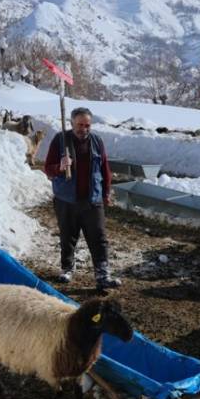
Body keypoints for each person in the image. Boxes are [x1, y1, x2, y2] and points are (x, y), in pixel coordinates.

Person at [43, 107, 121, 290]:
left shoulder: (96, 141)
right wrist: (60, 166)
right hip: (66, 199)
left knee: (98, 237)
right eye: (80, 125)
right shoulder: (60, 140)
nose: (84, 129)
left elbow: (105, 169)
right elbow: (48, 168)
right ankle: (67, 268)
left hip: (92, 199)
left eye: (87, 125)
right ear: (72, 123)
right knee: (68, 236)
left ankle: (103, 274)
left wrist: (106, 193)